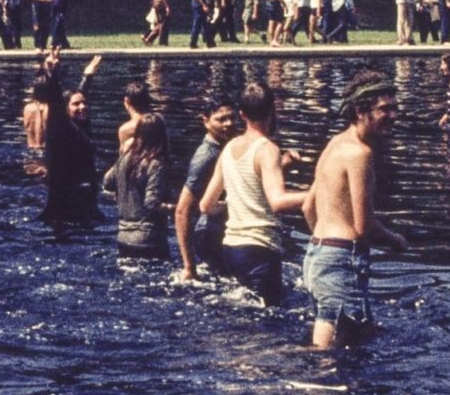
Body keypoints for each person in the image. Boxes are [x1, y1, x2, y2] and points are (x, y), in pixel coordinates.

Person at [303, 72, 410, 349]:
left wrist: (325, 248)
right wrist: (395, 240)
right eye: (385, 109)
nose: (394, 115)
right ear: (361, 111)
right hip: (342, 260)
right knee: (327, 354)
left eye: (395, 108)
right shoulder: (360, 154)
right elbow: (364, 226)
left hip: (316, 255)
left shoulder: (335, 144)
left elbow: (308, 206)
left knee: (358, 338)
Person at [196, 82, 308, 307]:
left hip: (231, 249)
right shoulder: (268, 149)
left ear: (242, 114)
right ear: (272, 110)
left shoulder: (229, 147)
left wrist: (237, 204)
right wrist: (321, 191)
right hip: (259, 249)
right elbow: (278, 202)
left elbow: (205, 205)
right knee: (269, 321)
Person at [38, 50, 103, 235]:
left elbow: (79, 96)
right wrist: (52, 73)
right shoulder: (60, 129)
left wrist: (87, 76)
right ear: (65, 109)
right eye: (76, 105)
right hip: (63, 211)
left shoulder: (81, 126)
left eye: (84, 103)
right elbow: (55, 103)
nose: (82, 107)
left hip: (85, 203)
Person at [176, 99, 242, 281]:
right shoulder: (206, 157)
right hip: (208, 234)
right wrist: (189, 267)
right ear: (205, 121)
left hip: (223, 232)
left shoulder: (227, 147)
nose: (228, 124)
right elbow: (182, 210)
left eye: (232, 117)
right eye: (221, 119)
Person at [106, 112, 171, 260]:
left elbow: (107, 182)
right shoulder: (156, 164)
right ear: (162, 136)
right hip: (149, 239)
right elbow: (151, 203)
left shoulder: (124, 158)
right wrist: (175, 208)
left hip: (123, 238)